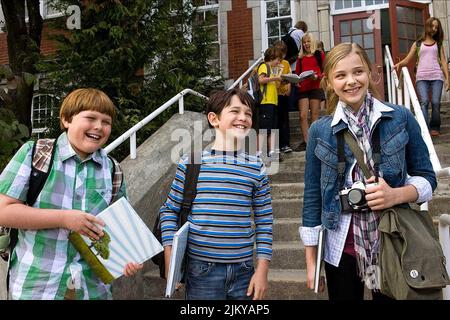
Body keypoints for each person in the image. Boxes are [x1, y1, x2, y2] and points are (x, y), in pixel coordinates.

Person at [300, 43, 437, 300]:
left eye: (358, 72)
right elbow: (312, 198)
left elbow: (428, 179)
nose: (351, 81)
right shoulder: (320, 131)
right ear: (328, 81)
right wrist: (311, 261)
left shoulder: (400, 117)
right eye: (340, 75)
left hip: (392, 244)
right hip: (341, 248)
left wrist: (396, 195)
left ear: (371, 73)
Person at [0, 88, 142, 300]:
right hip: (37, 287)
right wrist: (64, 218)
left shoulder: (113, 170)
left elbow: (119, 229)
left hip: (93, 290)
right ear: (67, 119)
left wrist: (128, 258)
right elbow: (3, 211)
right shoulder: (36, 154)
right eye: (91, 118)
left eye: (106, 122)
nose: (99, 127)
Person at [159, 88, 273, 300]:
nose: (243, 118)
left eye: (248, 114)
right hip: (201, 270)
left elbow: (264, 220)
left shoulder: (256, 166)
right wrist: (170, 257)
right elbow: (169, 211)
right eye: (235, 111)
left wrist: (262, 269)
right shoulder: (191, 162)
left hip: (244, 270)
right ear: (214, 118)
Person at [394, 17, 450, 137]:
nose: (434, 29)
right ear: (427, 26)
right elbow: (408, 58)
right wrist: (399, 64)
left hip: (437, 77)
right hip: (422, 77)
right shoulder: (418, 43)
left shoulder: (438, 44)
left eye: (436, 27)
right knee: (424, 102)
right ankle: (424, 127)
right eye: (432, 26)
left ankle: (435, 126)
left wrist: (447, 79)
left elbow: (444, 62)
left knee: (435, 102)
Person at [295, 32, 325, 150]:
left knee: (314, 115)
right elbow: (297, 74)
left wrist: (317, 76)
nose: (306, 44)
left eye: (308, 41)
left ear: (312, 42)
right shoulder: (300, 58)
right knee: (302, 116)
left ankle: (314, 141)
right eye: (304, 42)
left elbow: (325, 71)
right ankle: (307, 142)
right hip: (303, 88)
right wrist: (296, 80)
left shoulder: (319, 54)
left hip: (315, 87)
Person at [257, 46, 282, 158]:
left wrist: (279, 76)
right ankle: (259, 151)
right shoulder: (264, 66)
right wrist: (275, 78)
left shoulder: (272, 70)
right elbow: (261, 80)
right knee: (264, 128)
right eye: (277, 59)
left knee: (272, 128)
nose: (279, 62)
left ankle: (271, 151)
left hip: (272, 102)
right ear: (272, 57)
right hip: (265, 102)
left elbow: (274, 84)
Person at [273, 40, 293, 154]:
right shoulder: (272, 63)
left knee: (284, 120)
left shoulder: (286, 63)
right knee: (275, 120)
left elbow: (289, 76)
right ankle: (276, 145)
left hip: (283, 94)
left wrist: (289, 88)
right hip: (274, 95)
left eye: (283, 54)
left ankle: (285, 144)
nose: (281, 57)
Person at [317, 40, 327, 111]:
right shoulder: (317, 54)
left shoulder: (322, 54)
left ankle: (322, 108)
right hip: (319, 75)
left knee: (322, 92)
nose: (317, 49)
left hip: (322, 75)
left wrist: (323, 73)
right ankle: (320, 107)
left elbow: (324, 65)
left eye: (319, 47)